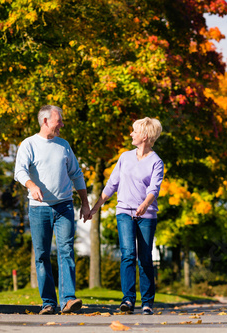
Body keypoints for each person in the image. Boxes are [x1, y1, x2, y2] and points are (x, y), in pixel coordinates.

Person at [14, 105, 90, 315]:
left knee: (66, 251)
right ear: (46, 121)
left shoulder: (64, 145)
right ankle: (48, 302)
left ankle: (68, 300)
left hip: (64, 206)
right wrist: (31, 185)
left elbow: (77, 174)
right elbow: (19, 171)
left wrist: (84, 203)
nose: (62, 124)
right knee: (42, 254)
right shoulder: (28, 144)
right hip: (39, 209)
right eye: (59, 120)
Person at [89, 117, 164, 315]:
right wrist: (96, 206)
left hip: (146, 215)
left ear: (145, 136)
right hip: (124, 212)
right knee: (128, 254)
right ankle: (128, 300)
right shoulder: (124, 157)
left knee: (145, 258)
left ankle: (147, 302)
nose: (131, 134)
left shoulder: (156, 162)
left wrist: (145, 204)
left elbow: (154, 189)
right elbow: (112, 183)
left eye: (134, 131)